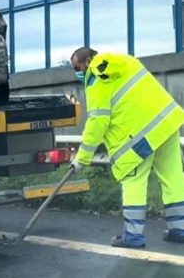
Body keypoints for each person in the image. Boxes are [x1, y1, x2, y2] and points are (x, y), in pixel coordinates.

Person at [70, 47, 184, 248]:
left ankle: (133, 236)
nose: (77, 73)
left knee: (134, 182)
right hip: (166, 123)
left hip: (139, 137)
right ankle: (180, 230)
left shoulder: (96, 78)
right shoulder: (125, 61)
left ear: (88, 61)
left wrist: (82, 157)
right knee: (173, 178)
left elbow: (98, 121)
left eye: (77, 67)